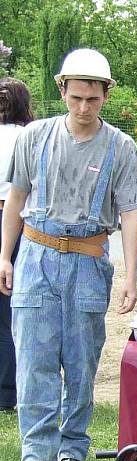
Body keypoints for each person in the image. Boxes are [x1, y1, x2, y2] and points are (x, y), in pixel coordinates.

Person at [0, 48, 137, 461]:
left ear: (106, 96)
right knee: (33, 358)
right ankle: (37, 455)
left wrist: (130, 274)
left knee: (81, 360)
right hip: (35, 255)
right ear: (62, 90)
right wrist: (4, 256)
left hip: (87, 259)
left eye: (94, 99)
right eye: (77, 97)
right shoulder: (34, 138)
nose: (84, 107)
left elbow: (132, 213)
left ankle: (72, 450)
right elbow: (16, 199)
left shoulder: (120, 146)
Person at [0, 78, 34, 413]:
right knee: (13, 308)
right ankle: (9, 391)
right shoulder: (31, 135)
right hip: (18, 220)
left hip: (9, 213)